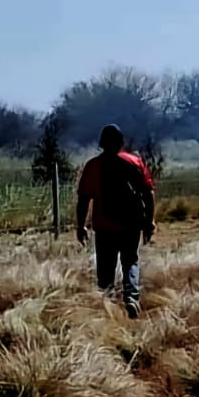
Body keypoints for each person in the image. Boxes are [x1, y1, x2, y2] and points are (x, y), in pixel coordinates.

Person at [75, 124, 155, 319]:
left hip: (104, 226)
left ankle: (107, 307)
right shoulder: (135, 162)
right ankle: (132, 298)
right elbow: (148, 194)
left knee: (105, 269)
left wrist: (81, 225)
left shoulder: (94, 166)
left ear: (101, 143)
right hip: (131, 224)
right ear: (121, 142)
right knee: (131, 261)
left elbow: (84, 199)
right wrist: (149, 221)